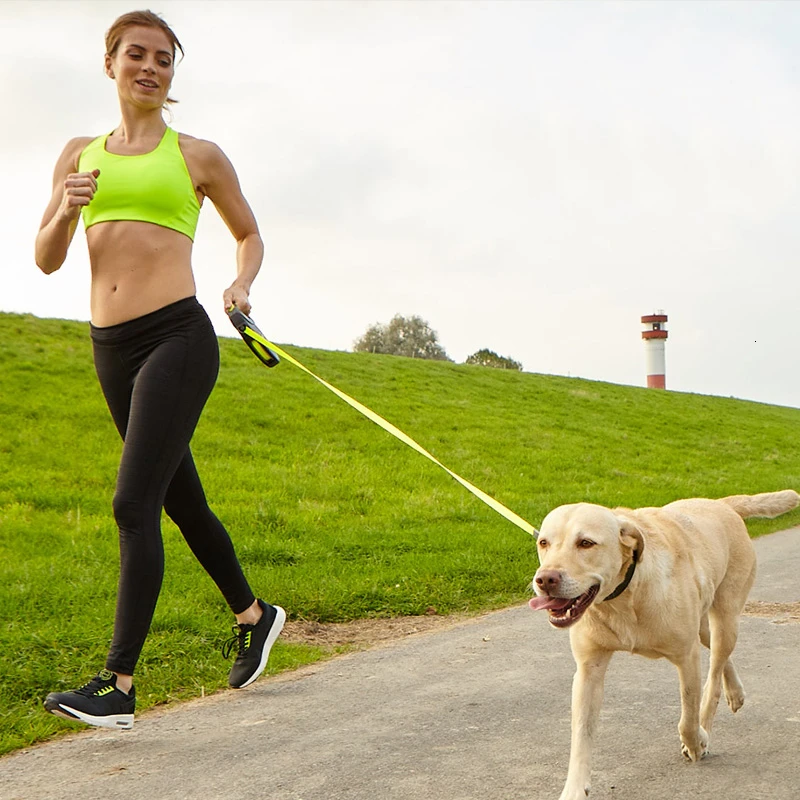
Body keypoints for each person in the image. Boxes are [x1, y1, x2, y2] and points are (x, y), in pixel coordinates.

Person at [35, 9, 285, 730]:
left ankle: (117, 684)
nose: (150, 67)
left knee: (130, 503)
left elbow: (250, 233)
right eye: (136, 55)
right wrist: (61, 209)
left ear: (171, 74)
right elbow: (47, 258)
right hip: (109, 347)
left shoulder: (197, 155)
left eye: (164, 59)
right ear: (109, 63)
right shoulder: (79, 155)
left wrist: (241, 285)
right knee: (178, 501)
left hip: (178, 336)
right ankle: (254, 613)